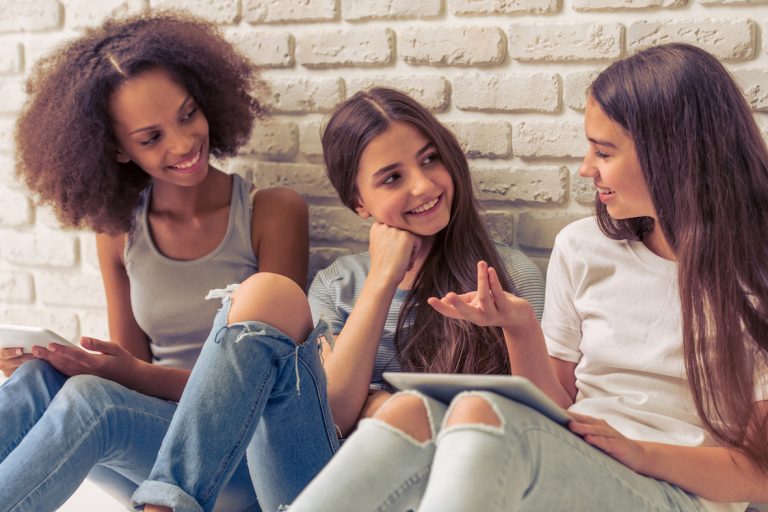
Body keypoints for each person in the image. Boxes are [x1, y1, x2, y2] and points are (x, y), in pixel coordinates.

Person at [288, 43, 768, 512]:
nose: (585, 169)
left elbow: (758, 475)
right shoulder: (584, 247)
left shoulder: (756, 276)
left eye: (603, 152)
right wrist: (519, 328)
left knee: (478, 412)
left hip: (672, 491)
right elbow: (556, 405)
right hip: (578, 455)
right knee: (411, 411)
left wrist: (639, 452)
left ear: (671, 154)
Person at [131, 87, 545, 512]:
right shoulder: (340, 284)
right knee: (265, 292)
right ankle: (164, 505)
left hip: (443, 491)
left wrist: (385, 407)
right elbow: (333, 414)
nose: (423, 185)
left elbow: (541, 423)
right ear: (359, 204)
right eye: (392, 177)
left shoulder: (506, 278)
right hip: (320, 487)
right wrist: (382, 280)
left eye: (430, 159)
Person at [0, 11, 308, 512]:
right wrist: (61, 364)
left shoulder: (271, 212)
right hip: (154, 452)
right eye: (151, 138)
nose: (184, 144)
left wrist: (117, 374)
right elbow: (132, 369)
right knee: (39, 380)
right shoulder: (119, 233)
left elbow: (272, 384)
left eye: (188, 115)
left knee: (89, 401)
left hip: (242, 456)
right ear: (117, 151)